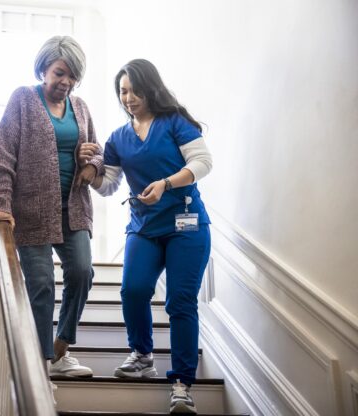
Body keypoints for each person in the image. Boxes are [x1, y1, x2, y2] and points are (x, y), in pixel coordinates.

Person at [90, 59, 212, 415]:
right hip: (144, 227)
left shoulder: (175, 123)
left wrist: (166, 183)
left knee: (180, 302)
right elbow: (109, 184)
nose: (127, 97)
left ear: (150, 87)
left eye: (133, 90)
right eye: (122, 91)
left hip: (186, 228)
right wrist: (89, 171)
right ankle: (142, 355)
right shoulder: (118, 138)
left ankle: (181, 385)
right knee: (133, 289)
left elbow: (203, 162)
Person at [0, 35, 103, 379]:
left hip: (73, 208)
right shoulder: (23, 99)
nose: (65, 82)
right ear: (43, 70)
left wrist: (91, 163)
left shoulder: (80, 107)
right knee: (40, 285)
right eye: (59, 73)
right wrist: (2, 205)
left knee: (82, 272)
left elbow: (97, 150)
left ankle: (61, 346)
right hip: (32, 210)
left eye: (72, 77)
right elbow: (4, 155)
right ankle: (41, 365)